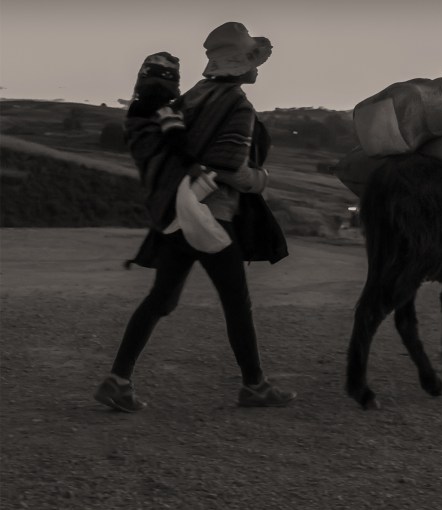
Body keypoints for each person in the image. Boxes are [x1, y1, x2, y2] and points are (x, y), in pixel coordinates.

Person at [94, 22, 296, 412]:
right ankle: (254, 386)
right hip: (212, 215)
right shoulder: (237, 105)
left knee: (160, 300)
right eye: (255, 60)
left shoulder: (191, 97)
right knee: (237, 301)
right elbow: (229, 166)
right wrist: (261, 181)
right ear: (241, 65)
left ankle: (117, 380)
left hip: (177, 216)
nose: (258, 68)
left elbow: (177, 149)